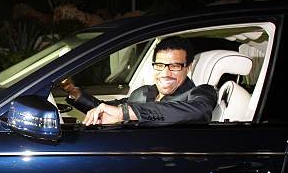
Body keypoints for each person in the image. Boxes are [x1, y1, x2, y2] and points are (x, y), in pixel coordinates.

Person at [62, 37, 218, 126]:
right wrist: (71, 90)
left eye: (175, 66)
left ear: (188, 67)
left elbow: (198, 111)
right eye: (159, 65)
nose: (165, 73)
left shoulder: (200, 92)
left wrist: (126, 113)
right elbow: (107, 109)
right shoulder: (144, 92)